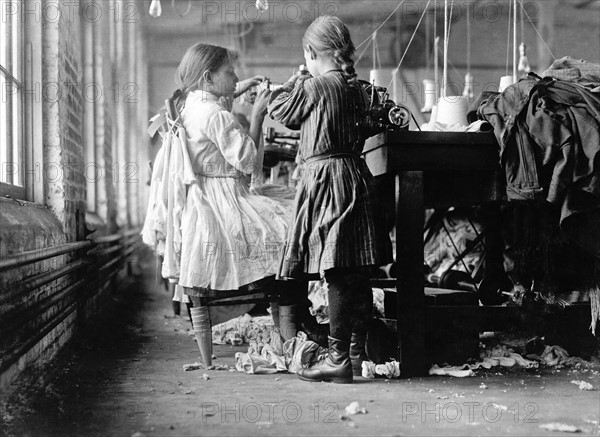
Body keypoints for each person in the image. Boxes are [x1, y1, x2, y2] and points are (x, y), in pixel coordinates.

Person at [268, 16, 392, 383]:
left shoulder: (316, 86)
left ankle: (338, 359)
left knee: (337, 269)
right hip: (355, 175)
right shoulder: (361, 89)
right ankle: (354, 355)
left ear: (310, 52)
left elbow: (279, 111)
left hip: (326, 179)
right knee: (355, 269)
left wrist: (295, 79)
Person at [166, 43, 292, 366]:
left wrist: (240, 89)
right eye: (230, 73)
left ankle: (211, 356)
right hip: (224, 202)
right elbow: (248, 160)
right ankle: (292, 323)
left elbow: (215, 108)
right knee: (289, 225)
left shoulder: (192, 104)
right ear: (208, 77)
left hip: (202, 201)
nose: (236, 76)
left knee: (284, 214)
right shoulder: (215, 114)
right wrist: (258, 116)